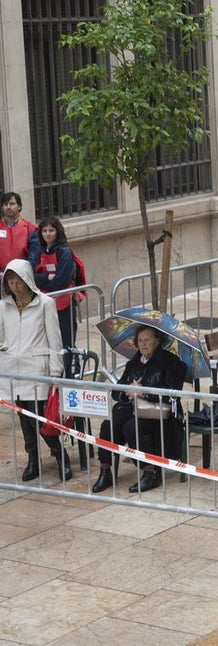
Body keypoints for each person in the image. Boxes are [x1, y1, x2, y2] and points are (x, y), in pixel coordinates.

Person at [0, 260, 66, 482]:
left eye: (18, 280)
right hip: (14, 371)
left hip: (37, 370)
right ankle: (33, 459)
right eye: (10, 280)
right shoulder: (3, 306)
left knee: (38, 419)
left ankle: (60, 455)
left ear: (27, 279)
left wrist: (56, 371)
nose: (15, 285)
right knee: (22, 416)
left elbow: (55, 340)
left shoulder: (45, 304)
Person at [108, 324, 188, 494]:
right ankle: (106, 468)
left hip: (162, 415)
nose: (143, 344)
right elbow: (117, 391)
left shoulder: (172, 363)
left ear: (157, 341)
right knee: (110, 423)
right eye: (140, 341)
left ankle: (150, 472)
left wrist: (144, 393)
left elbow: (171, 395)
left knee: (132, 427)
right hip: (135, 409)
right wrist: (127, 393)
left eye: (147, 340)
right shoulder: (134, 363)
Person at [28, 217, 78, 353]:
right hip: (45, 304)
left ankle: (71, 372)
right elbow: (30, 276)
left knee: (67, 343)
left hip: (64, 304)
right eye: (44, 231)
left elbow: (60, 281)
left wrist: (42, 283)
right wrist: (46, 277)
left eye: (51, 230)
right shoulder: (39, 251)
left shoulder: (65, 252)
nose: (47, 234)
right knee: (49, 341)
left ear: (57, 232)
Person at [0, 192, 40, 271]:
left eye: (12, 204)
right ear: (2, 207)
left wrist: (24, 271)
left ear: (19, 206)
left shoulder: (30, 228)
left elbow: (35, 254)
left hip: (22, 275)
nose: (8, 207)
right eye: (5, 204)